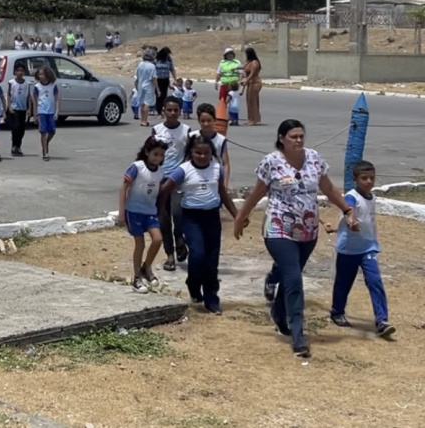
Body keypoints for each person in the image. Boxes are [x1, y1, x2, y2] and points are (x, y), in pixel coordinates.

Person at [233, 119, 359, 359]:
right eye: (293, 136)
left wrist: (347, 210)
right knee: (294, 278)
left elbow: (329, 189)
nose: (299, 140)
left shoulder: (314, 158)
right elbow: (258, 191)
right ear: (282, 138)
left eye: (301, 136)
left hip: (308, 231)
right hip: (279, 229)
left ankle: (279, 315)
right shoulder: (271, 162)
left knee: (291, 279)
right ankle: (299, 335)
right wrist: (241, 216)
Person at [159, 134, 241, 314]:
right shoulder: (183, 170)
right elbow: (165, 189)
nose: (202, 156)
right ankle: (193, 283)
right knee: (197, 255)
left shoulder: (217, 168)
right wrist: (160, 210)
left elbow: (222, 193)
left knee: (212, 261)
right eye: (198, 153)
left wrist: (237, 215)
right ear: (191, 152)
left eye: (206, 153)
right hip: (192, 218)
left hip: (212, 217)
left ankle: (212, 300)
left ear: (212, 153)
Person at [330, 160, 396, 339]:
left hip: (368, 248)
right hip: (348, 249)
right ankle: (337, 312)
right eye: (364, 178)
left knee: (375, 281)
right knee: (343, 283)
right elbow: (348, 209)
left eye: (372, 178)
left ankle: (382, 321)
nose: (368, 181)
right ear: (355, 179)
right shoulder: (351, 196)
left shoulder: (372, 198)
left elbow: (368, 220)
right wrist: (350, 221)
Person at [118, 136, 167, 294]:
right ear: (147, 152)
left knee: (158, 239)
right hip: (134, 211)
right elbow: (124, 188)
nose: (157, 158)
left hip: (150, 212)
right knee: (140, 244)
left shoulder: (160, 172)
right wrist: (122, 212)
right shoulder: (137, 167)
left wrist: (160, 210)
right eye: (155, 154)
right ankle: (137, 278)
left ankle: (146, 267)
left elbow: (158, 193)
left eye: (161, 155)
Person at [153, 96, 191, 271]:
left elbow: (190, 155)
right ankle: (170, 255)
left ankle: (180, 241)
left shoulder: (186, 131)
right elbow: (151, 155)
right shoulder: (157, 130)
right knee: (163, 219)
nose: (173, 113)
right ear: (164, 111)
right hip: (160, 181)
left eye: (176, 110)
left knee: (179, 214)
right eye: (169, 110)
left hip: (179, 181)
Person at [191, 103, 231, 188]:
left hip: (214, 178)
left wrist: (225, 184)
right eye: (203, 121)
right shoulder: (192, 137)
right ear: (198, 120)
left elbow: (225, 163)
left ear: (214, 120)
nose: (206, 124)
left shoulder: (221, 140)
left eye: (209, 120)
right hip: (195, 176)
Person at [32, 65, 59, 162]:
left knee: (52, 131)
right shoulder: (37, 87)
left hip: (51, 111)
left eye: (42, 74)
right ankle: (45, 152)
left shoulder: (53, 86)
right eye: (39, 74)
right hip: (42, 111)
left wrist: (57, 111)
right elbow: (34, 101)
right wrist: (35, 114)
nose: (40, 76)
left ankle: (45, 143)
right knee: (43, 132)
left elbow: (56, 99)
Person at [7, 64, 30, 156]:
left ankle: (18, 146)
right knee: (15, 127)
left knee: (21, 129)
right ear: (15, 72)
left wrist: (29, 109)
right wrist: (9, 106)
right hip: (14, 108)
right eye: (18, 71)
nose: (20, 72)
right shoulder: (11, 82)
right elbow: (8, 95)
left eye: (22, 71)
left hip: (23, 108)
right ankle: (14, 145)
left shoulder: (26, 84)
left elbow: (28, 97)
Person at [134, 52, 157, 128]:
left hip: (141, 85)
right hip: (148, 86)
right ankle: (145, 120)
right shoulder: (152, 66)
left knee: (142, 103)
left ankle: (142, 120)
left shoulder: (140, 65)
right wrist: (158, 89)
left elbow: (137, 76)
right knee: (147, 103)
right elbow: (153, 78)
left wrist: (136, 85)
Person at [241, 47, 263, 126]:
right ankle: (250, 118)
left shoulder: (254, 62)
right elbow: (244, 68)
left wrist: (246, 81)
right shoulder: (249, 62)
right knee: (249, 101)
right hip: (250, 83)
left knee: (253, 101)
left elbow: (252, 73)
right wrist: (234, 68)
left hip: (255, 83)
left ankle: (254, 119)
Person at [154, 47, 177, 117]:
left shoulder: (169, 60)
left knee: (164, 95)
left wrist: (175, 79)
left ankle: (163, 109)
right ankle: (159, 112)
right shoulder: (156, 60)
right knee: (158, 96)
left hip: (165, 79)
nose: (168, 55)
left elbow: (172, 69)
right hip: (157, 80)